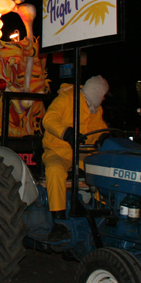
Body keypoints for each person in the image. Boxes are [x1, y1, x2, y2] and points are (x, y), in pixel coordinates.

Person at [42, 75, 109, 241]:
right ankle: (59, 221)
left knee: (102, 170)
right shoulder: (66, 99)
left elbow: (99, 130)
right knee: (55, 169)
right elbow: (48, 119)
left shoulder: (96, 109)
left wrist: (104, 137)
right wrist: (66, 132)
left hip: (81, 154)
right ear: (97, 94)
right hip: (57, 151)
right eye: (103, 94)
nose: (105, 98)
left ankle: (105, 210)